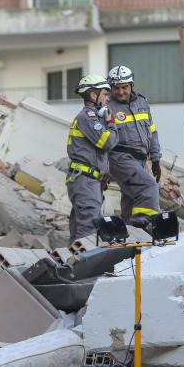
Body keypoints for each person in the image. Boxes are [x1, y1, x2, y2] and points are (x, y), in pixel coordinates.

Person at [106, 65, 162, 227]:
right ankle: (142, 225)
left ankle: (130, 231)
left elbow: (152, 132)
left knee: (133, 198)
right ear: (111, 88)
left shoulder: (142, 103)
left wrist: (156, 159)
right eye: (116, 88)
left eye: (124, 87)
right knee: (148, 187)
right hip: (119, 158)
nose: (121, 91)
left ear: (132, 85)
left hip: (141, 160)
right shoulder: (106, 107)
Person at [66, 75, 119, 243]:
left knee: (80, 229)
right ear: (92, 96)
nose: (108, 98)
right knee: (88, 231)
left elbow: (96, 151)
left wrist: (103, 173)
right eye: (105, 94)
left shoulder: (93, 118)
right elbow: (108, 142)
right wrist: (111, 123)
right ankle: (82, 267)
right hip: (85, 181)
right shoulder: (87, 117)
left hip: (88, 180)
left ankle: (73, 264)